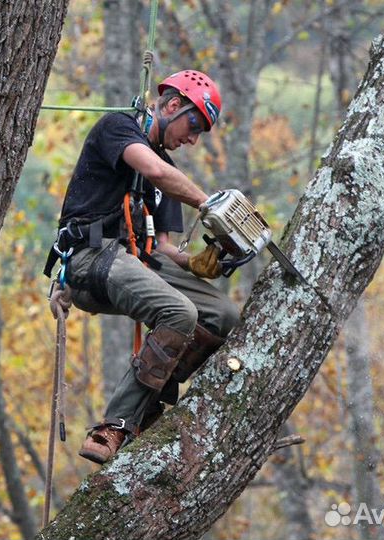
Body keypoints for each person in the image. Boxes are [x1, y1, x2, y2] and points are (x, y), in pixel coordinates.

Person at [44, 70, 240, 464]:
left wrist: (196, 264)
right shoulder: (117, 129)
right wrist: (211, 205)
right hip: (89, 258)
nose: (193, 139)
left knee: (222, 314)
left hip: (134, 261)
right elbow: (154, 171)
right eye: (194, 125)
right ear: (171, 106)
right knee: (179, 312)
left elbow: (163, 247)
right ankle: (115, 424)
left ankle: (147, 402)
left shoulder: (164, 168)